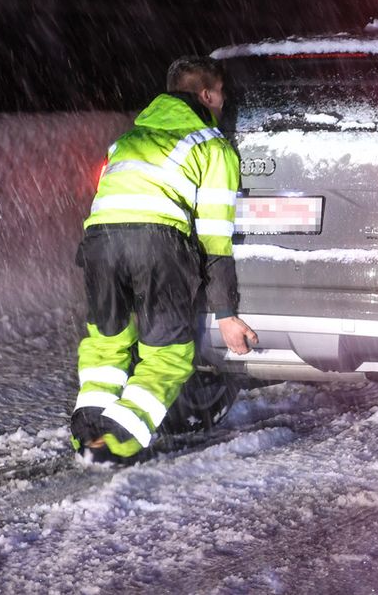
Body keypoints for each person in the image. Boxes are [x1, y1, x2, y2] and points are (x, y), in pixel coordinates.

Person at [70, 56, 258, 464]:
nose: (224, 104)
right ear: (207, 95)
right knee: (167, 353)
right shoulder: (210, 146)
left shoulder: (128, 139)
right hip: (156, 243)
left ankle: (88, 434)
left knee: (106, 345)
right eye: (222, 95)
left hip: (99, 242)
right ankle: (119, 441)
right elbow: (213, 236)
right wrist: (225, 312)